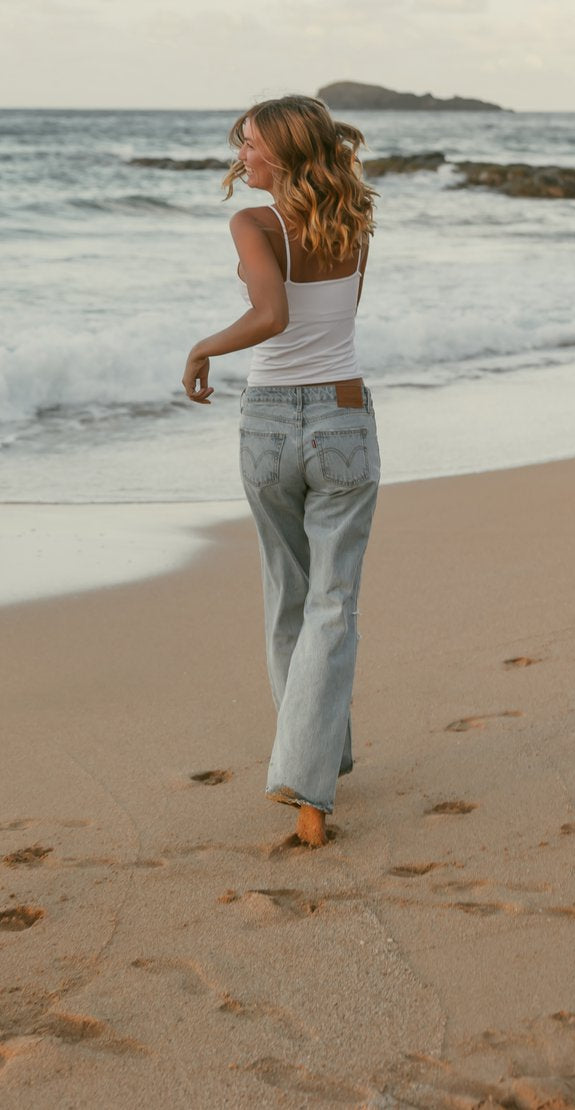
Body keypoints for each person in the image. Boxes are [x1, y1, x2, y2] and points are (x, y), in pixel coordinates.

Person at [182, 95, 379, 848]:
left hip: (268, 421)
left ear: (287, 155)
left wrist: (203, 347)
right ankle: (321, 762)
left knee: (289, 598)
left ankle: (306, 782)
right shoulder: (356, 221)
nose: (242, 154)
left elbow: (272, 317)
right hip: (344, 415)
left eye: (254, 143)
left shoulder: (253, 224)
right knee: (332, 604)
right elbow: (340, 317)